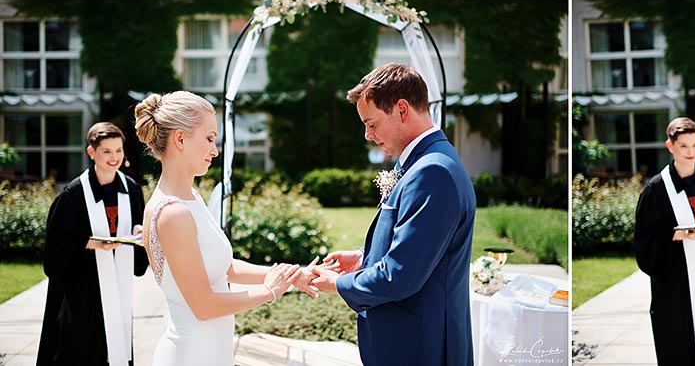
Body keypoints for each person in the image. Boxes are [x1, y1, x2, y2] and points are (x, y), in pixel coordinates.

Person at [309, 63, 476, 365]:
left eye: (371, 124)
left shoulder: (433, 171)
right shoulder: (422, 162)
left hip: (420, 348)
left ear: (401, 110)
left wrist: (338, 284)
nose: (367, 135)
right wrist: (363, 259)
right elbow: (418, 248)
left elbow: (401, 275)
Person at [134, 91, 313, 365]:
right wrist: (270, 292)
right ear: (180, 139)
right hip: (191, 356)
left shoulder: (190, 198)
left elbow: (224, 267)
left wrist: (291, 276)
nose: (215, 150)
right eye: (209, 138)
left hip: (211, 354)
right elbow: (204, 306)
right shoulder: (173, 212)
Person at [37, 122, 149, 366]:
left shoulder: (130, 189)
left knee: (115, 347)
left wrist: (141, 232)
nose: (114, 157)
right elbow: (56, 248)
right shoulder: (73, 195)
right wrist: (92, 243)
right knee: (83, 349)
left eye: (118, 150)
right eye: (107, 151)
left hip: (117, 283)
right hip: (84, 286)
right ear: (92, 152)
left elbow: (140, 228)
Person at [633, 117, 695, 365]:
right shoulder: (655, 190)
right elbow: (644, 241)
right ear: (670, 146)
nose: (690, 152)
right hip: (677, 288)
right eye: (683, 146)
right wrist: (677, 234)